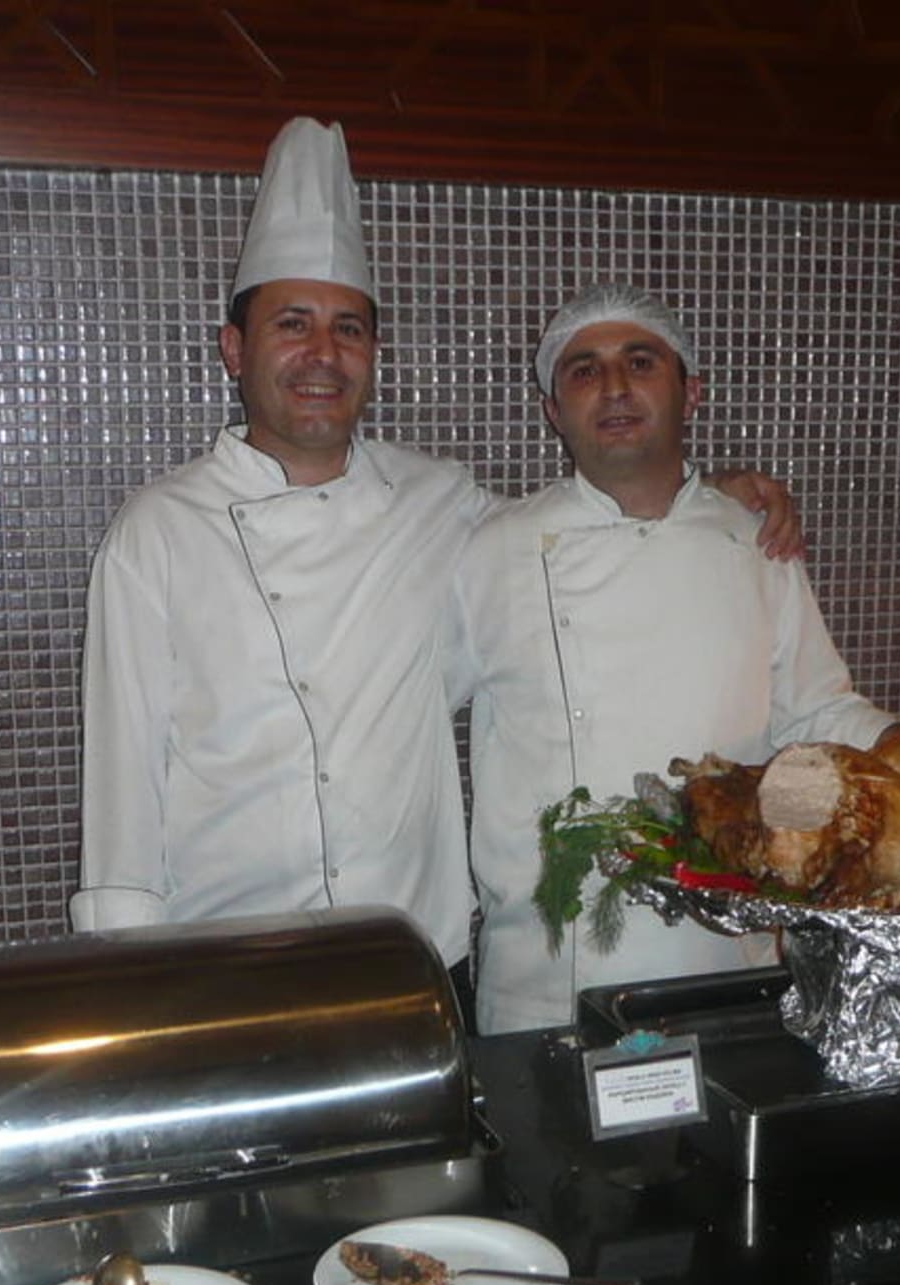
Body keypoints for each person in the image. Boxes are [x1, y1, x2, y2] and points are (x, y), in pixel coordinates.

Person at [70, 119, 803, 1016]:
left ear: (372, 355)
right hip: (226, 963)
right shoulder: (157, 530)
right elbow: (123, 778)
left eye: (347, 328)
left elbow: (593, 529)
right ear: (235, 348)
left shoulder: (439, 500)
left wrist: (709, 494)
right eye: (292, 325)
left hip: (415, 956)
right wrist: (129, 982)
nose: (322, 354)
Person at [448, 284, 900, 1035]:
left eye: (640, 362)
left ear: (690, 392)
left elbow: (815, 715)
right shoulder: (490, 552)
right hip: (548, 983)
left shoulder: (754, 542)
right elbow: (411, 711)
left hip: (730, 962)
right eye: (584, 370)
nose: (615, 386)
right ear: (554, 411)